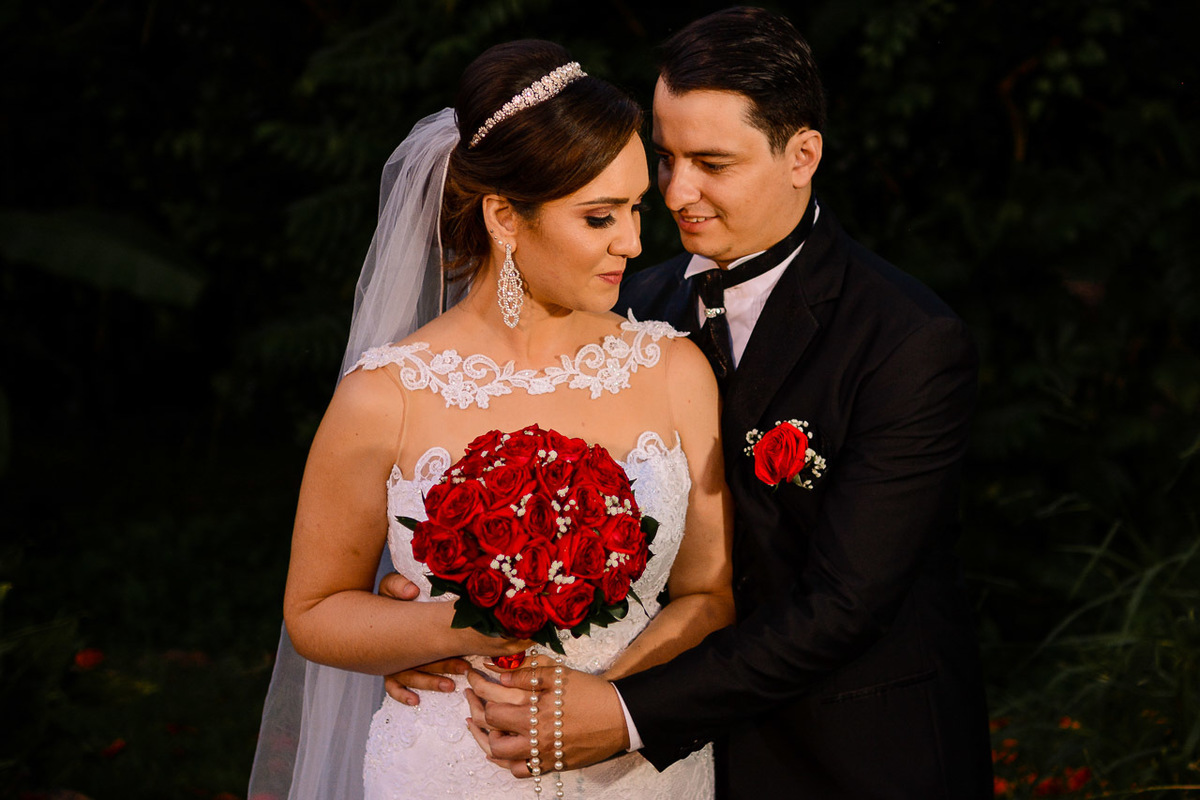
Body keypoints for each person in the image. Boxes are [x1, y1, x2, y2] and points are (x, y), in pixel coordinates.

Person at [462, 8, 994, 798]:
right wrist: (446, 597)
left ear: (801, 155)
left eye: (712, 162)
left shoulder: (906, 339)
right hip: (668, 767)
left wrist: (627, 709)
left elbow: (844, 604)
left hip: (852, 757)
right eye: (667, 157)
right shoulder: (626, 306)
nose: (678, 193)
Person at [247, 39, 735, 800]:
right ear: (506, 216)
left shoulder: (674, 370)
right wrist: (454, 630)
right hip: (452, 765)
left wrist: (611, 700)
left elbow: (711, 593)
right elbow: (314, 611)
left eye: (636, 208)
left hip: (634, 771)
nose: (636, 244)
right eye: (601, 216)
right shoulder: (387, 392)